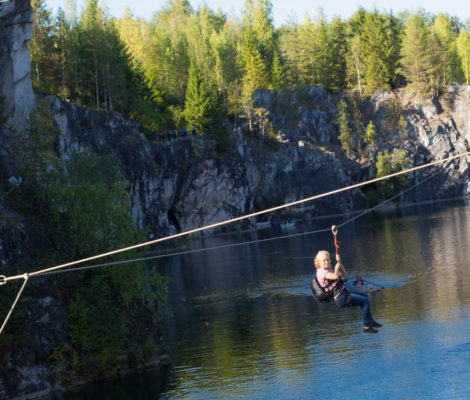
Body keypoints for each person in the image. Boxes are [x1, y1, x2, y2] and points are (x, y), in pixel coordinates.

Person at [314, 250, 382, 333]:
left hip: (344, 294)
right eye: (324, 260)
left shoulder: (329, 270)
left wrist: (339, 262)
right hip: (341, 298)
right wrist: (336, 268)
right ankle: (366, 327)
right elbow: (335, 276)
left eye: (328, 260)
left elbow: (344, 273)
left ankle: (370, 321)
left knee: (365, 297)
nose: (326, 262)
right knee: (365, 301)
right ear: (319, 262)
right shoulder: (321, 273)